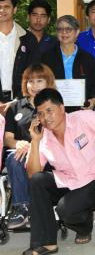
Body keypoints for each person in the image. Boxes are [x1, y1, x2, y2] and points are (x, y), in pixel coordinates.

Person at [24, 88, 95, 255]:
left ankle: (84, 227)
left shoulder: (83, 118)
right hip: (69, 183)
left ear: (62, 108)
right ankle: (45, 243)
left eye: (49, 110)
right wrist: (35, 142)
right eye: (40, 114)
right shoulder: (44, 137)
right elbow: (32, 173)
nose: (46, 118)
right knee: (37, 180)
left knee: (65, 209)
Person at [4, 64, 56, 230]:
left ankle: (29, 208)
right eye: (30, 81)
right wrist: (18, 143)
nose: (34, 86)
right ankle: (22, 207)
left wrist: (35, 145)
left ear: (48, 82)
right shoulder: (15, 107)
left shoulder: (54, 105)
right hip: (20, 153)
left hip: (47, 153)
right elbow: (7, 138)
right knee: (14, 158)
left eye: (39, 81)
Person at [41, 15, 95, 112]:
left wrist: (93, 101)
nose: (64, 32)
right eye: (60, 29)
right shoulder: (46, 58)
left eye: (68, 29)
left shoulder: (88, 59)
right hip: (54, 109)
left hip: (81, 110)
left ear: (77, 32)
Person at [0, 0, 39, 105]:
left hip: (21, 101)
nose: (2, 10)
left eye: (7, 7)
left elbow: (33, 71)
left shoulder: (28, 39)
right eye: (0, 7)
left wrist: (20, 99)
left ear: (14, 9)